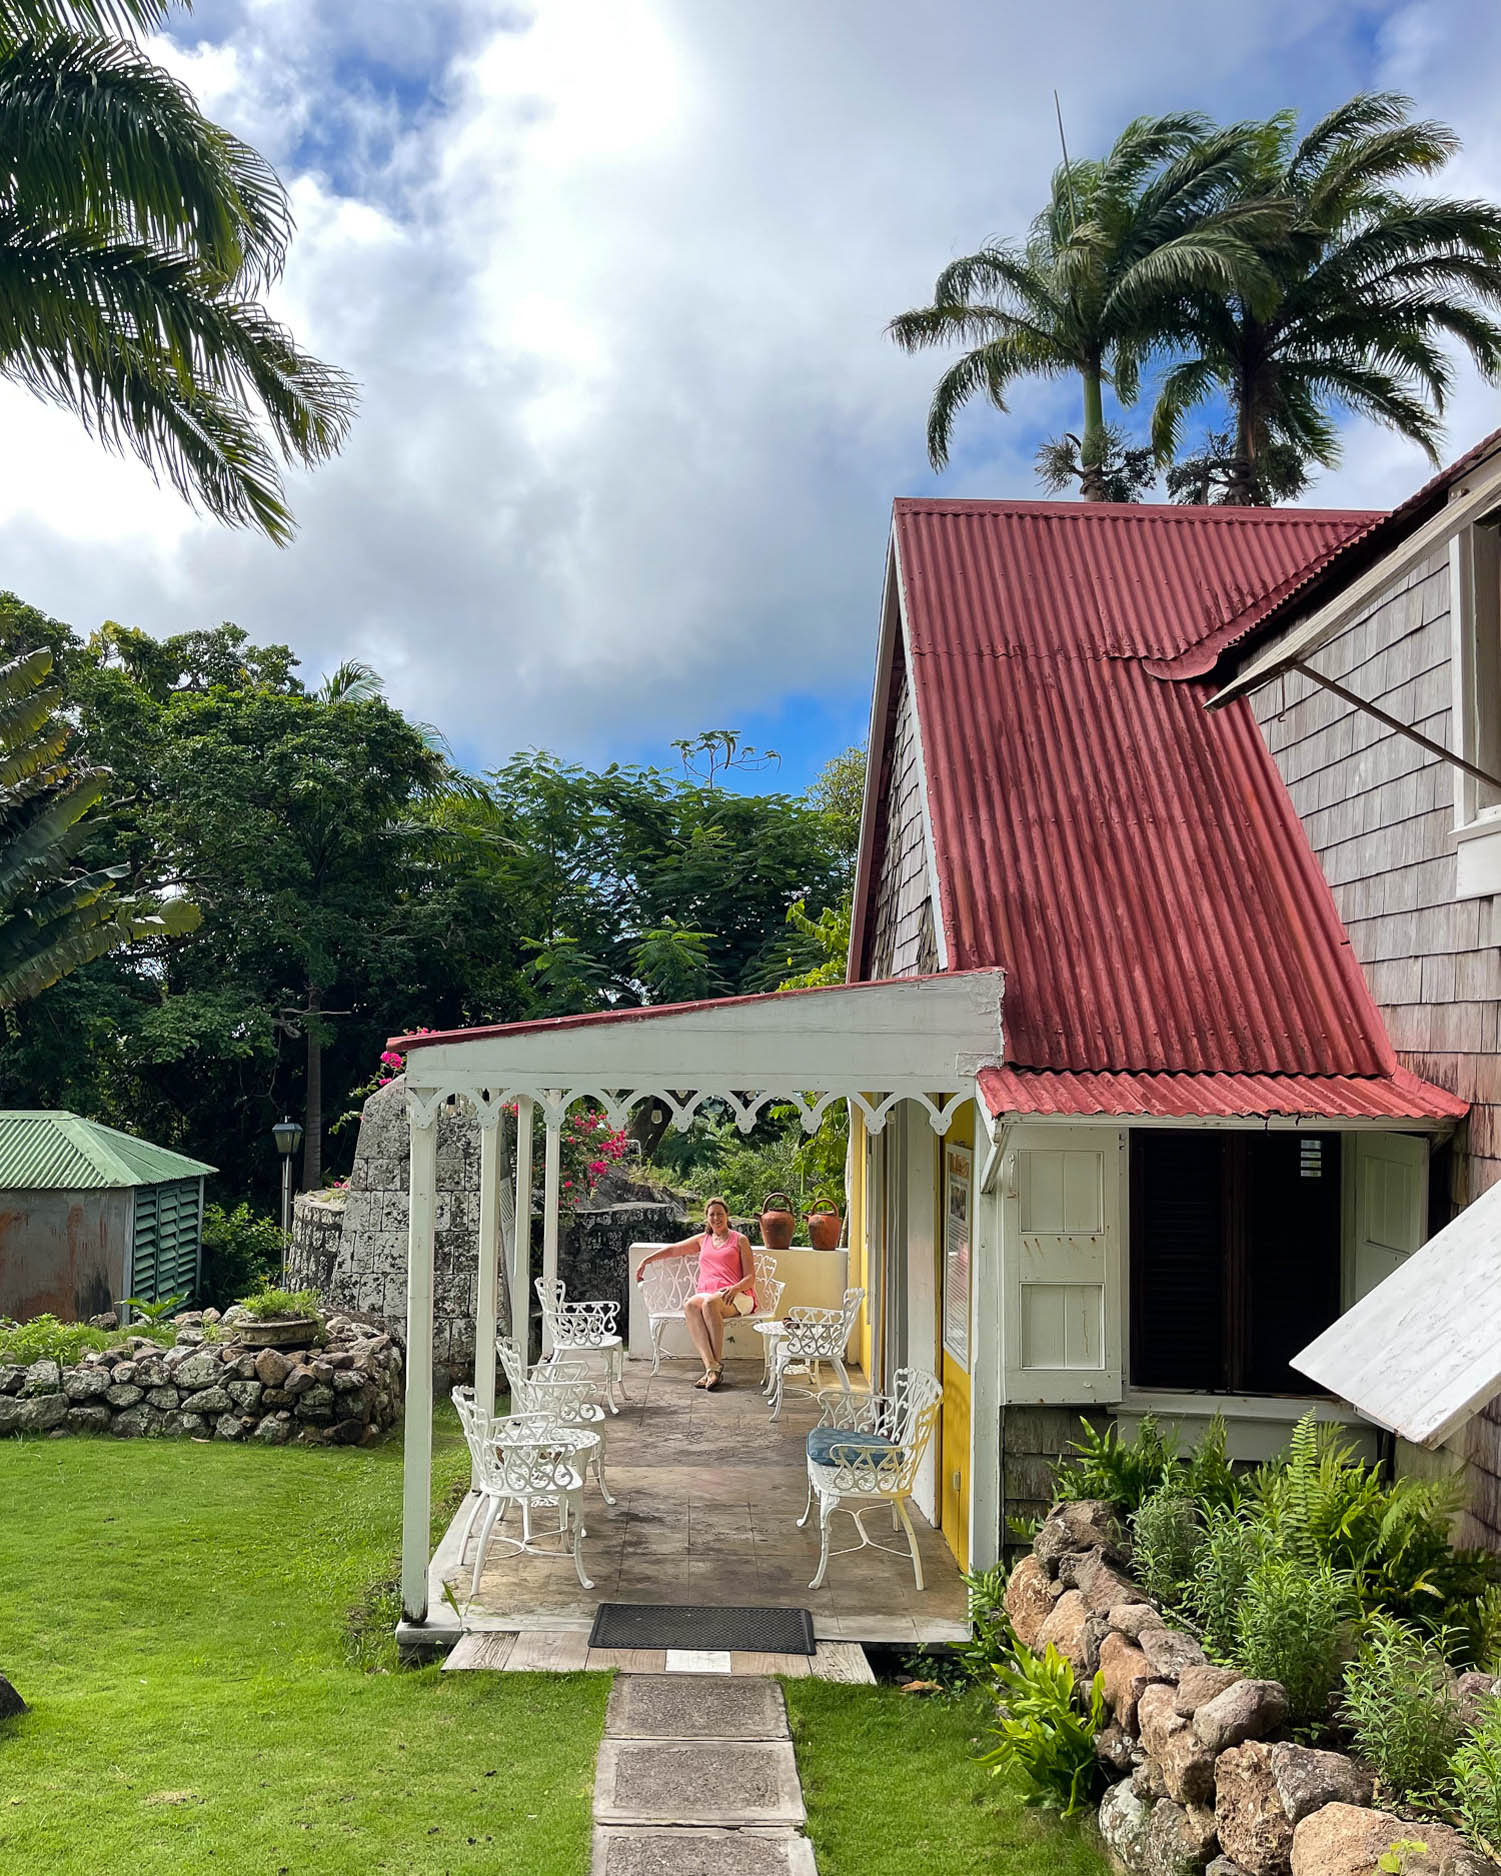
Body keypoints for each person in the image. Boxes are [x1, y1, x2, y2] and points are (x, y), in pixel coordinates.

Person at [635, 1198, 754, 1390]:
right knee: (690, 1304)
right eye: (712, 1214)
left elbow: (750, 1277)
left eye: (720, 1214)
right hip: (708, 1294)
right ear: (707, 1218)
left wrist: (735, 1288)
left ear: (727, 1216)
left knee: (709, 1304)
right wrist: (646, 1261)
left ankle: (713, 1371)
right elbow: (675, 1249)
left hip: (737, 1296)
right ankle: (712, 1368)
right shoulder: (703, 1240)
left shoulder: (739, 1240)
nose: (716, 1218)